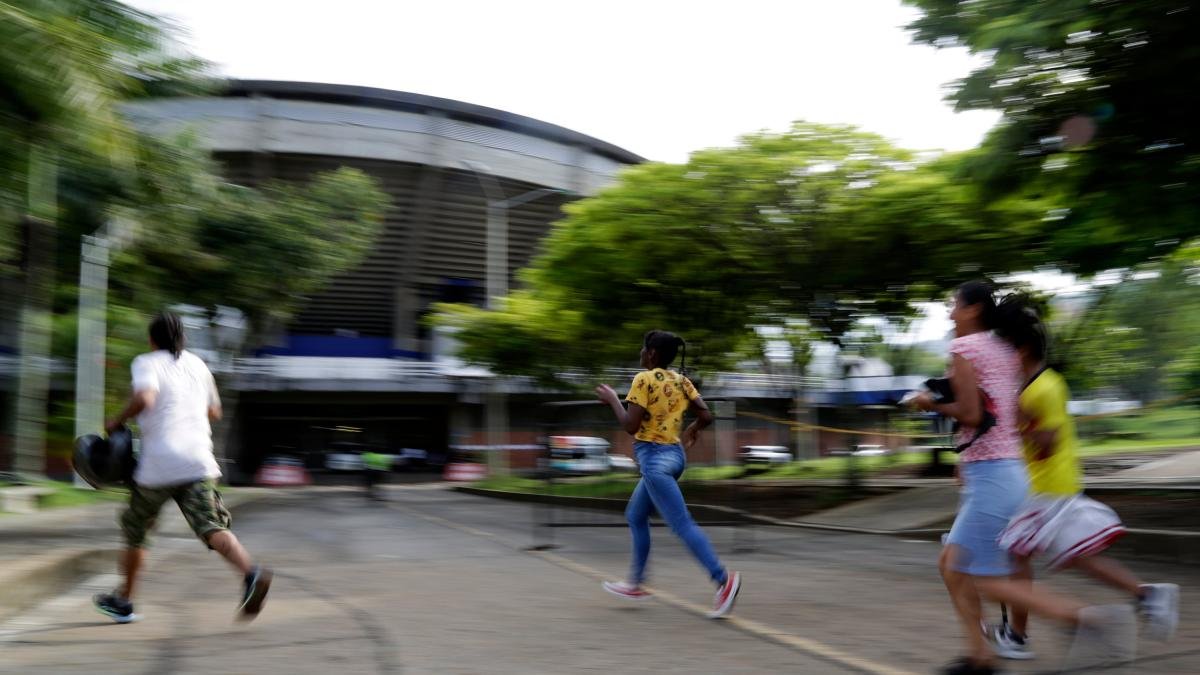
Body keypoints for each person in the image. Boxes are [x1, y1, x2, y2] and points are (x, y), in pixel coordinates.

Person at [911, 282, 1135, 675]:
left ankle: (1087, 619)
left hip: (994, 477)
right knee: (952, 565)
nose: (949, 313)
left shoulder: (964, 349)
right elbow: (997, 409)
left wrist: (929, 401)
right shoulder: (1003, 352)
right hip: (1004, 471)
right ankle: (980, 657)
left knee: (988, 578)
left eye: (954, 306)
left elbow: (972, 414)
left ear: (973, 309)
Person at [983, 295, 1180, 659]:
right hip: (1048, 488)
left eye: (1003, 349)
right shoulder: (1032, 387)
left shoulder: (1046, 387)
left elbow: (1049, 444)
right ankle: (1146, 594)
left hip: (1049, 491)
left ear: (1022, 349)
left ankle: (1018, 636)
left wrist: (1015, 424)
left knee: (1014, 557)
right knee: (1070, 558)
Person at [93, 312, 272, 624]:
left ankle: (124, 600)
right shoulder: (199, 366)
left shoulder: (146, 362)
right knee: (212, 526)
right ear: (182, 339)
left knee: (136, 530)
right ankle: (250, 573)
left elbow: (146, 398)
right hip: (199, 462)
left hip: (158, 467)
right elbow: (215, 411)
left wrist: (116, 420)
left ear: (152, 339)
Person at [595, 329, 742, 618]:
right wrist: (694, 429)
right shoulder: (682, 380)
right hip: (675, 457)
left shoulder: (643, 380)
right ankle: (635, 583)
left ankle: (723, 580)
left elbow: (630, 426)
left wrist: (613, 399)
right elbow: (706, 415)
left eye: (642, 348)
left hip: (654, 462)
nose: (640, 353)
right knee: (636, 515)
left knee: (681, 524)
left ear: (651, 354)